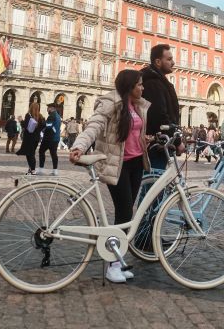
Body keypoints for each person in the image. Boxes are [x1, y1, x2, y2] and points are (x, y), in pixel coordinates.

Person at [69, 69, 150, 284]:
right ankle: (113, 265)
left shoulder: (139, 105)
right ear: (129, 86)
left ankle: (117, 260)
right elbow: (94, 125)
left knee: (126, 214)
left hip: (135, 164)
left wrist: (146, 140)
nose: (143, 88)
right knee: (123, 212)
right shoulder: (111, 102)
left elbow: (134, 134)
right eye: (139, 84)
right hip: (117, 165)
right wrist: (80, 146)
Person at [142, 44, 181, 170]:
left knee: (155, 183)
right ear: (158, 62)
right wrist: (177, 142)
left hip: (161, 142)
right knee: (154, 183)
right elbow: (160, 115)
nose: (173, 62)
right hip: (157, 144)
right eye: (169, 59)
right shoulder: (153, 83)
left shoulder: (159, 81)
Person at [16, 107, 45, 175]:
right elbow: (43, 125)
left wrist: (21, 121)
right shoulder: (40, 116)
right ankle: (31, 169)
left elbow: (25, 126)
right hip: (36, 138)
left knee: (29, 154)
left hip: (29, 138)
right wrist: (38, 130)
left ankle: (33, 169)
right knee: (32, 153)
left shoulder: (28, 115)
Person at [39, 103, 61, 175]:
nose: (47, 109)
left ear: (51, 108)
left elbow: (48, 126)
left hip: (49, 138)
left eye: (48, 108)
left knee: (41, 151)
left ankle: (41, 169)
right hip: (56, 138)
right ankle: (55, 170)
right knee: (54, 154)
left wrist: (43, 123)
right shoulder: (58, 116)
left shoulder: (52, 115)